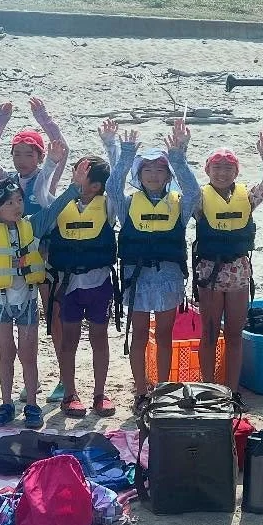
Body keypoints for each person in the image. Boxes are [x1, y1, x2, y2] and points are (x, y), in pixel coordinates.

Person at [0, 97, 70, 403]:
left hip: (45, 258)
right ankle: (29, 383)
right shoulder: (6, 183)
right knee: (23, 325)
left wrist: (43, 117)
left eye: (28, 154)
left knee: (53, 318)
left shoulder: (46, 177)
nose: (21, 160)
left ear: (39, 156)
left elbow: (61, 148)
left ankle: (63, 379)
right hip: (15, 269)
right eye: (17, 154)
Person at [109, 119, 200, 397]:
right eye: (147, 169)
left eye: (160, 170)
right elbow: (113, 188)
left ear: (167, 175)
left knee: (163, 335)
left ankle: (161, 390)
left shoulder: (178, 203)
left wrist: (178, 158)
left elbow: (194, 192)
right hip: (137, 279)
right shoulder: (127, 204)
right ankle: (140, 390)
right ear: (139, 174)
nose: (153, 175)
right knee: (139, 335)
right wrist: (125, 154)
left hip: (168, 279)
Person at [34, 155, 117, 417]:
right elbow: (40, 193)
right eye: (75, 171)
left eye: (82, 174)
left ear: (95, 186)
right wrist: (50, 162)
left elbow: (116, 184)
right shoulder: (63, 204)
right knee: (68, 340)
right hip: (68, 286)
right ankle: (70, 393)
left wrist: (114, 148)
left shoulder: (108, 205)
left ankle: (100, 394)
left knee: (99, 339)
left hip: (99, 283)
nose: (75, 176)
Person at [192, 131, 263, 389]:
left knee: (234, 335)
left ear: (236, 172)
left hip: (239, 271)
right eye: (217, 167)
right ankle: (208, 388)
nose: (222, 173)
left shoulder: (246, 197)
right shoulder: (198, 199)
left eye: (228, 168)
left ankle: (232, 390)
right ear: (208, 170)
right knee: (209, 333)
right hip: (209, 272)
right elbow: (182, 186)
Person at [0, 176, 47, 430]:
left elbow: (55, 208)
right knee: (6, 354)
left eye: (19, 200)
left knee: (28, 356)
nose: (17, 206)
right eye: (9, 202)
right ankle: (6, 403)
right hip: (1, 305)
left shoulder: (33, 226)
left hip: (28, 301)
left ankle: (32, 403)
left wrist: (73, 185)